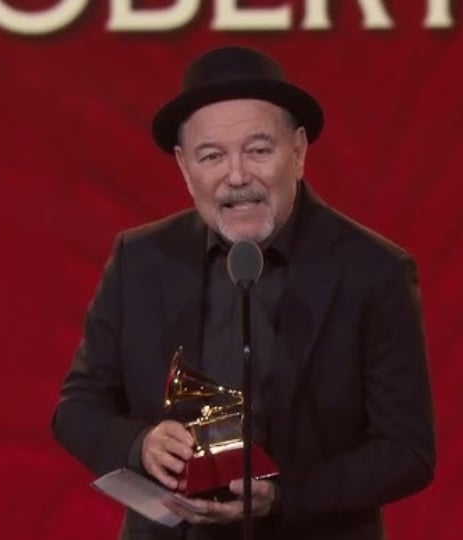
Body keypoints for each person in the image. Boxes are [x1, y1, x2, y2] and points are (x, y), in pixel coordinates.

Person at [52, 46, 436, 540]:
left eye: (258, 150)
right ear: (185, 168)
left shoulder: (373, 271)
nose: (236, 177)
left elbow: (407, 452)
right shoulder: (140, 260)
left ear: (297, 152)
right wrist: (139, 444)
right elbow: (77, 408)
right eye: (212, 156)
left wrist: (282, 496)